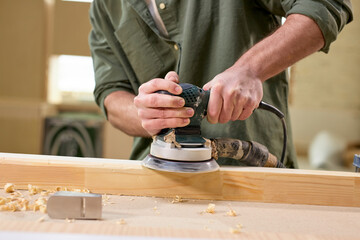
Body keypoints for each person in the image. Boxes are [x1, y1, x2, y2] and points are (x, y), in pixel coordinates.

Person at [89, 0, 353, 168]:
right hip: (158, 175)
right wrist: (147, 112)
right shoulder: (103, 7)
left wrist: (249, 70)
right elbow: (110, 91)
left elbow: (325, 4)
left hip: (257, 170)